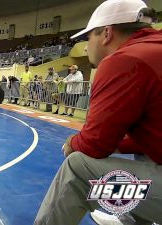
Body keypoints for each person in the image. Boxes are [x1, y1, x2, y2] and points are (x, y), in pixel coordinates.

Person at [34, 0, 162, 225]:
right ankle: (130, 221)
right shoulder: (153, 50)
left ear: (106, 33)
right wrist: (120, 144)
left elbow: (94, 144)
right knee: (146, 154)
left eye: (87, 37)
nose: (85, 46)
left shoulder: (125, 59)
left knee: (76, 169)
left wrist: (73, 143)